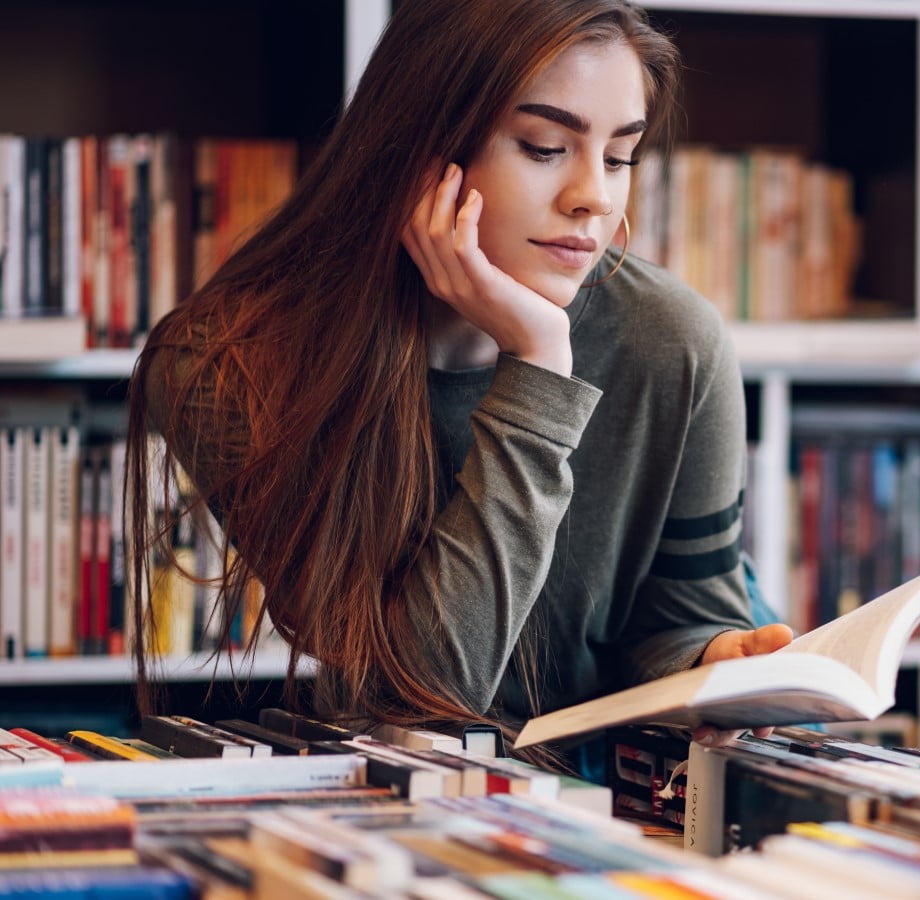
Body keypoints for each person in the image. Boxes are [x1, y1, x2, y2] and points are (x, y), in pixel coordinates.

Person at [126, 0, 793, 763]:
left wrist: (715, 663)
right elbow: (426, 690)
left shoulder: (672, 341)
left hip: (618, 797)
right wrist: (539, 366)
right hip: (410, 803)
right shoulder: (224, 364)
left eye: (618, 158)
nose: (596, 198)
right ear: (420, 147)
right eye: (545, 147)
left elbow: (677, 622)